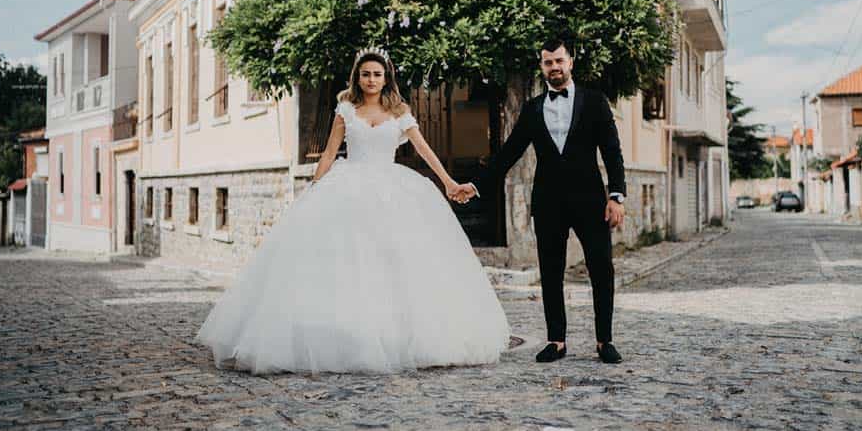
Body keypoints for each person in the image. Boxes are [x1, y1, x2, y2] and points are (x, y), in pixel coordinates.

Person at [196, 47, 510, 374]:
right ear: (357, 78)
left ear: (386, 78)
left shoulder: (399, 110)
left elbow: (424, 148)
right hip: (348, 185)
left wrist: (448, 182)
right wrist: (315, 190)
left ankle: (396, 336)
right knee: (347, 263)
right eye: (365, 74)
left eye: (377, 74)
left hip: (391, 189)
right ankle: (346, 335)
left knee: (394, 263)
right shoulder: (346, 108)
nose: (371, 80)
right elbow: (330, 153)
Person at [451, 38, 626, 365]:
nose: (554, 68)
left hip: (591, 200)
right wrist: (475, 186)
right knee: (551, 271)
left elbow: (612, 151)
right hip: (548, 202)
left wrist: (616, 195)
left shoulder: (595, 101)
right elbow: (507, 155)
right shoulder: (532, 109)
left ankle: (605, 341)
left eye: (559, 61)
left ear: (570, 61)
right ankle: (556, 341)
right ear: (542, 66)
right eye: (548, 62)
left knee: (601, 269)